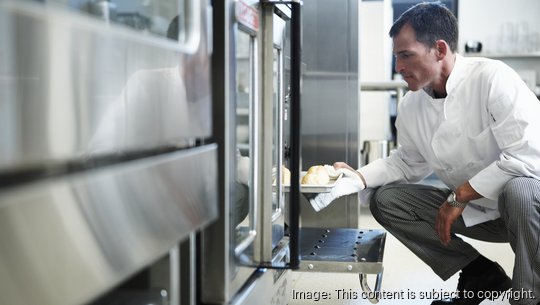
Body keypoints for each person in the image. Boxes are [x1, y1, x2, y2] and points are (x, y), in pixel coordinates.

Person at [318, 2, 540, 305]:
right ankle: (478, 272)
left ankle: (530, 296)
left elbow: (529, 157)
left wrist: (459, 195)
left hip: (524, 210)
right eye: (396, 56)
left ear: (439, 49)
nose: (398, 66)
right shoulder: (412, 105)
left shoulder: (492, 79)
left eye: (406, 55)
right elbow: (406, 161)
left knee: (521, 188)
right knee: (386, 201)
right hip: (472, 213)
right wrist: (358, 178)